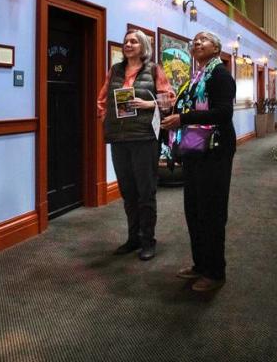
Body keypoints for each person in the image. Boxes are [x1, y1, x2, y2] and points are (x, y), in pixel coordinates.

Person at [160, 31, 236, 292]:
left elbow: (224, 113)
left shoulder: (220, 75)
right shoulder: (195, 78)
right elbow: (189, 109)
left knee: (212, 212)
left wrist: (182, 118)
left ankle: (215, 272)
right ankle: (200, 264)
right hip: (194, 150)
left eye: (203, 39)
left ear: (216, 48)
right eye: (194, 40)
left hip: (215, 151)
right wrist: (174, 109)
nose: (197, 43)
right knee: (194, 210)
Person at [97, 29, 174, 261]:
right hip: (119, 139)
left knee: (145, 191)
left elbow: (169, 98)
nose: (128, 44)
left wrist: (148, 104)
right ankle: (134, 238)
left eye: (134, 41)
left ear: (143, 46)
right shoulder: (115, 70)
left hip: (144, 138)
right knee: (128, 191)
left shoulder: (154, 69)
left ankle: (148, 240)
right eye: (126, 41)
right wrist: (105, 117)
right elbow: (102, 100)